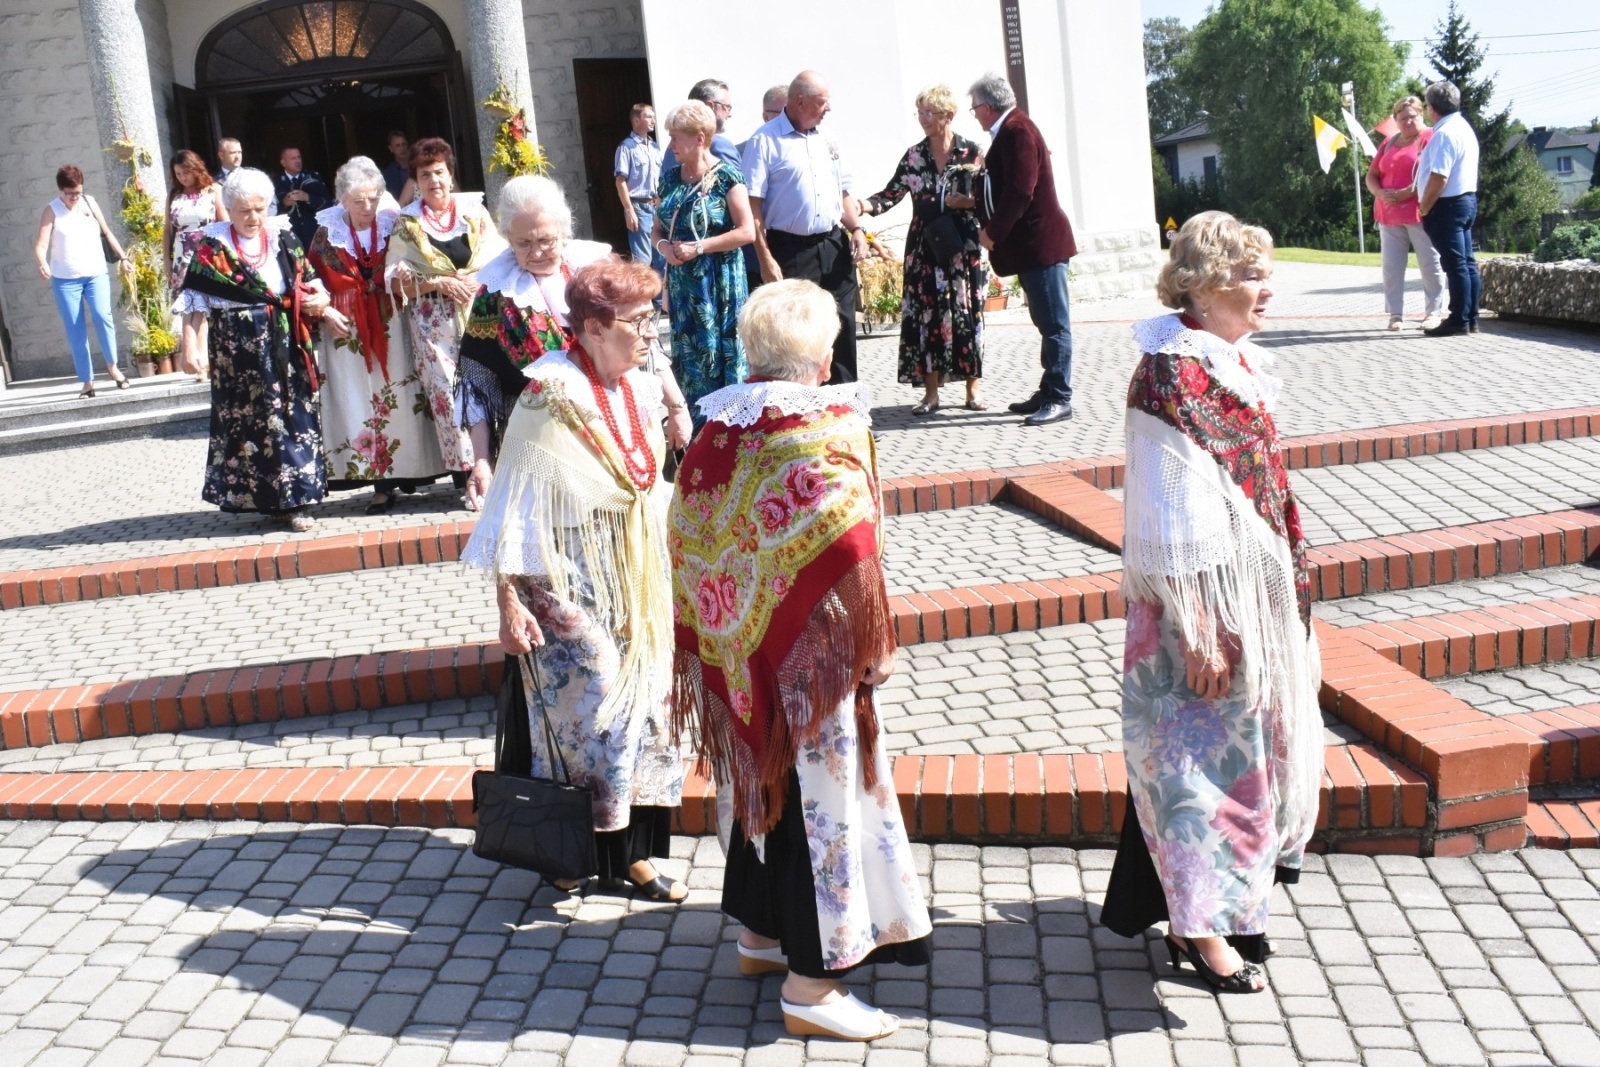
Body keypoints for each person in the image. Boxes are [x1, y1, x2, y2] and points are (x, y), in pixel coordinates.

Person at [670, 280, 932, 1042]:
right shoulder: (824, 427)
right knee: (822, 807)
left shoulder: (716, 427)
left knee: (764, 790)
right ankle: (811, 986)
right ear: (818, 357)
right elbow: (853, 543)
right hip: (813, 661)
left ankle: (760, 935)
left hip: (741, 648)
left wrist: (727, 623)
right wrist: (873, 639)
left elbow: (687, 529)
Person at [1099, 211, 1322, 996]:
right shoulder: (1170, 372)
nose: (1267, 288)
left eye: (1266, 272)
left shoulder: (1232, 361)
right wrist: (1198, 627)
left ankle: (1228, 907)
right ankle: (1200, 929)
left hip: (1252, 601)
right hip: (1198, 613)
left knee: (1242, 767)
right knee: (1195, 775)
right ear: (1202, 286)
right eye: (1252, 275)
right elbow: (1166, 513)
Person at [464, 259, 687, 902]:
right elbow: (513, 504)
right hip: (562, 579)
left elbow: (649, 483)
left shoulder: (639, 389)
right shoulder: (549, 396)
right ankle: (569, 844)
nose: (649, 334)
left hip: (636, 574)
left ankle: (634, 856)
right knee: (595, 710)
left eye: (652, 318)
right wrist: (508, 602)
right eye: (637, 322)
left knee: (649, 705)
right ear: (592, 327)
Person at [455, 177, 694, 508]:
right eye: (523, 243)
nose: (536, 251)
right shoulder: (495, 294)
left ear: (563, 230)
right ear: (507, 237)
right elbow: (477, 382)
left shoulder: (597, 270)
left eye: (546, 240)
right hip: (541, 443)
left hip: (617, 429)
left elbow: (643, 336)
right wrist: (481, 459)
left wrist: (676, 405)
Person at [179, 168, 336, 532]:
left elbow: (308, 279)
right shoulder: (212, 246)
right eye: (244, 210)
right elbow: (194, 301)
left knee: (293, 419)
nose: (254, 217)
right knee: (252, 425)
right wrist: (191, 349)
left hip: (284, 344)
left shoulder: (283, 236)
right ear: (229, 210)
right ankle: (268, 501)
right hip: (237, 353)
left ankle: (296, 500)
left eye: (260, 208)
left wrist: (323, 303)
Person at [309, 156, 446, 514]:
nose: (367, 207)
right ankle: (380, 484)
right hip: (346, 330)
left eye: (372, 199)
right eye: (358, 201)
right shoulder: (325, 233)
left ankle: (412, 471)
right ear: (342, 200)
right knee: (363, 403)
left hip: (394, 322)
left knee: (401, 398)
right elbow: (310, 281)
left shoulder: (395, 224)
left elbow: (420, 262)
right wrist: (324, 312)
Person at [386, 137, 504, 499]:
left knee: (487, 386)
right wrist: (437, 282)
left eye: (439, 172)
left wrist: (474, 279)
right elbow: (393, 275)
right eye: (425, 175)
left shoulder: (474, 212)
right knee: (448, 393)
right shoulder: (408, 223)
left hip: (480, 314)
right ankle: (467, 475)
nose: (433, 180)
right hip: (432, 322)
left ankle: (497, 467)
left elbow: (499, 257)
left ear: (450, 175)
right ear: (416, 182)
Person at [859, 84, 987, 414]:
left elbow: (989, 200)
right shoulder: (914, 156)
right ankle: (931, 395)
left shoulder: (971, 152)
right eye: (920, 112)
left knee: (968, 314)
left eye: (929, 112)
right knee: (927, 318)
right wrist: (863, 206)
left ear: (949, 115)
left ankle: (974, 391)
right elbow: (890, 194)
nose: (923, 119)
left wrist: (968, 202)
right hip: (925, 246)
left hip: (963, 246)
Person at [742, 70, 868, 383]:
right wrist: (764, 257)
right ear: (800, 101)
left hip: (833, 245)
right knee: (799, 333)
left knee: (843, 327)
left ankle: (846, 411)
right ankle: (806, 411)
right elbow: (753, 206)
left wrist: (858, 230)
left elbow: (844, 193)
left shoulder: (829, 139)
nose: (829, 109)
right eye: (822, 102)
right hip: (791, 248)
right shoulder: (765, 141)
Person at [969, 73, 1078, 427]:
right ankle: (1048, 390)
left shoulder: (1017, 131)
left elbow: (1020, 191)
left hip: (1042, 245)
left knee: (1054, 325)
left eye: (974, 108)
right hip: (1034, 248)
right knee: (1045, 321)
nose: (974, 114)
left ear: (987, 107)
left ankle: (1059, 397)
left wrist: (991, 233)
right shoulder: (1012, 129)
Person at [652, 100, 755, 417]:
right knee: (689, 360)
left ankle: (730, 431)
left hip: (718, 284)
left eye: (675, 137)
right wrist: (664, 249)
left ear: (699, 138)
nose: (670, 145)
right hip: (684, 289)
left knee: (720, 358)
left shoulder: (726, 177)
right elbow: (656, 230)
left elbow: (747, 231)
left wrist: (700, 247)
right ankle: (695, 434)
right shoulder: (670, 178)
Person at [33, 165, 133, 398]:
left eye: (78, 192)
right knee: (76, 329)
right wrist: (42, 262)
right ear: (61, 190)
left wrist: (123, 258)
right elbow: (41, 244)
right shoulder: (52, 210)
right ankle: (87, 382)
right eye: (70, 194)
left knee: (103, 316)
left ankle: (113, 368)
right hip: (65, 279)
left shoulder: (89, 202)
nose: (74, 197)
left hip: (95, 272)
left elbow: (107, 233)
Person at [1367, 96, 1445, 331]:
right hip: (1388, 214)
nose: (1408, 121)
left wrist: (1407, 193)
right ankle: (1395, 314)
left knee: (1430, 264)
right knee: (1392, 267)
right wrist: (1380, 193)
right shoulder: (1389, 143)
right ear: (1396, 120)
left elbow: (1433, 173)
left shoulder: (1431, 137)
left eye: (1413, 116)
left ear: (1422, 114)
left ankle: (1433, 312)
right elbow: (1371, 175)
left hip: (1420, 211)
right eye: (1402, 118)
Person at [1416, 80, 1482, 338]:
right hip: (1465, 200)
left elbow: (1439, 176)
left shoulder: (1444, 133)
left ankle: (1458, 319)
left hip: (1447, 205)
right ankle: (1471, 317)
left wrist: (1424, 206)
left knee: (1455, 264)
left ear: (1431, 108)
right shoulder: (1463, 127)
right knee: (1466, 263)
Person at [164, 149, 228, 381]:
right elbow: (167, 230)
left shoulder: (213, 190)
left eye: (185, 172)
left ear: (195, 169)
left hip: (207, 252)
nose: (182, 177)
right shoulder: (174, 194)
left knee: (202, 307)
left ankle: (201, 360)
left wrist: (225, 255)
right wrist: (167, 259)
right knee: (187, 306)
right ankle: (197, 359)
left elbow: (224, 222)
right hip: (182, 253)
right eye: (178, 173)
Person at [613, 104, 664, 271]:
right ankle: (644, 297)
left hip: (656, 206)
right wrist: (629, 210)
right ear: (636, 120)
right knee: (643, 259)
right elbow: (620, 181)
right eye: (649, 117)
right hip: (639, 207)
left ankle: (660, 298)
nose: (653, 120)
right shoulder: (626, 147)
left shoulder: (654, 146)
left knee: (661, 255)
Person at [662, 78, 741, 170]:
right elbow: (733, 182)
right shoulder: (719, 145)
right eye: (727, 107)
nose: (729, 114)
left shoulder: (672, 148)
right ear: (710, 106)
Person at [274, 146, 331, 249]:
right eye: (293, 158)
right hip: (290, 236)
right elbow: (270, 212)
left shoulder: (313, 177)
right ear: (283, 163)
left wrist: (308, 197)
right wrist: (285, 204)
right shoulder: (276, 182)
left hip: (314, 234)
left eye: (299, 157)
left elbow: (328, 205)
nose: (297, 161)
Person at [381, 131, 410, 200]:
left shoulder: (417, 166)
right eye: (398, 145)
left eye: (404, 144)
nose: (402, 148)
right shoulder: (387, 174)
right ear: (391, 149)